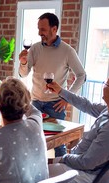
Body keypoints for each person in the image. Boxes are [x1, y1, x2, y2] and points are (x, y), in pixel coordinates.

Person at [46, 72, 109, 183]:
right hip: (82, 163)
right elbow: (86, 105)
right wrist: (60, 91)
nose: (103, 86)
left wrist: (60, 159)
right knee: (42, 164)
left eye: (105, 84)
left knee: (36, 171)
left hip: (87, 173)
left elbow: (86, 163)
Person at [18, 12, 86, 157]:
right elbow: (23, 74)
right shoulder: (35, 48)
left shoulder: (67, 51)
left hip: (55, 104)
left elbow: (82, 75)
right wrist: (23, 62)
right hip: (35, 102)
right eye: (38, 29)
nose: (39, 33)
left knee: (59, 145)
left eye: (42, 29)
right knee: (31, 141)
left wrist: (67, 98)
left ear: (54, 29)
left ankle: (61, 175)